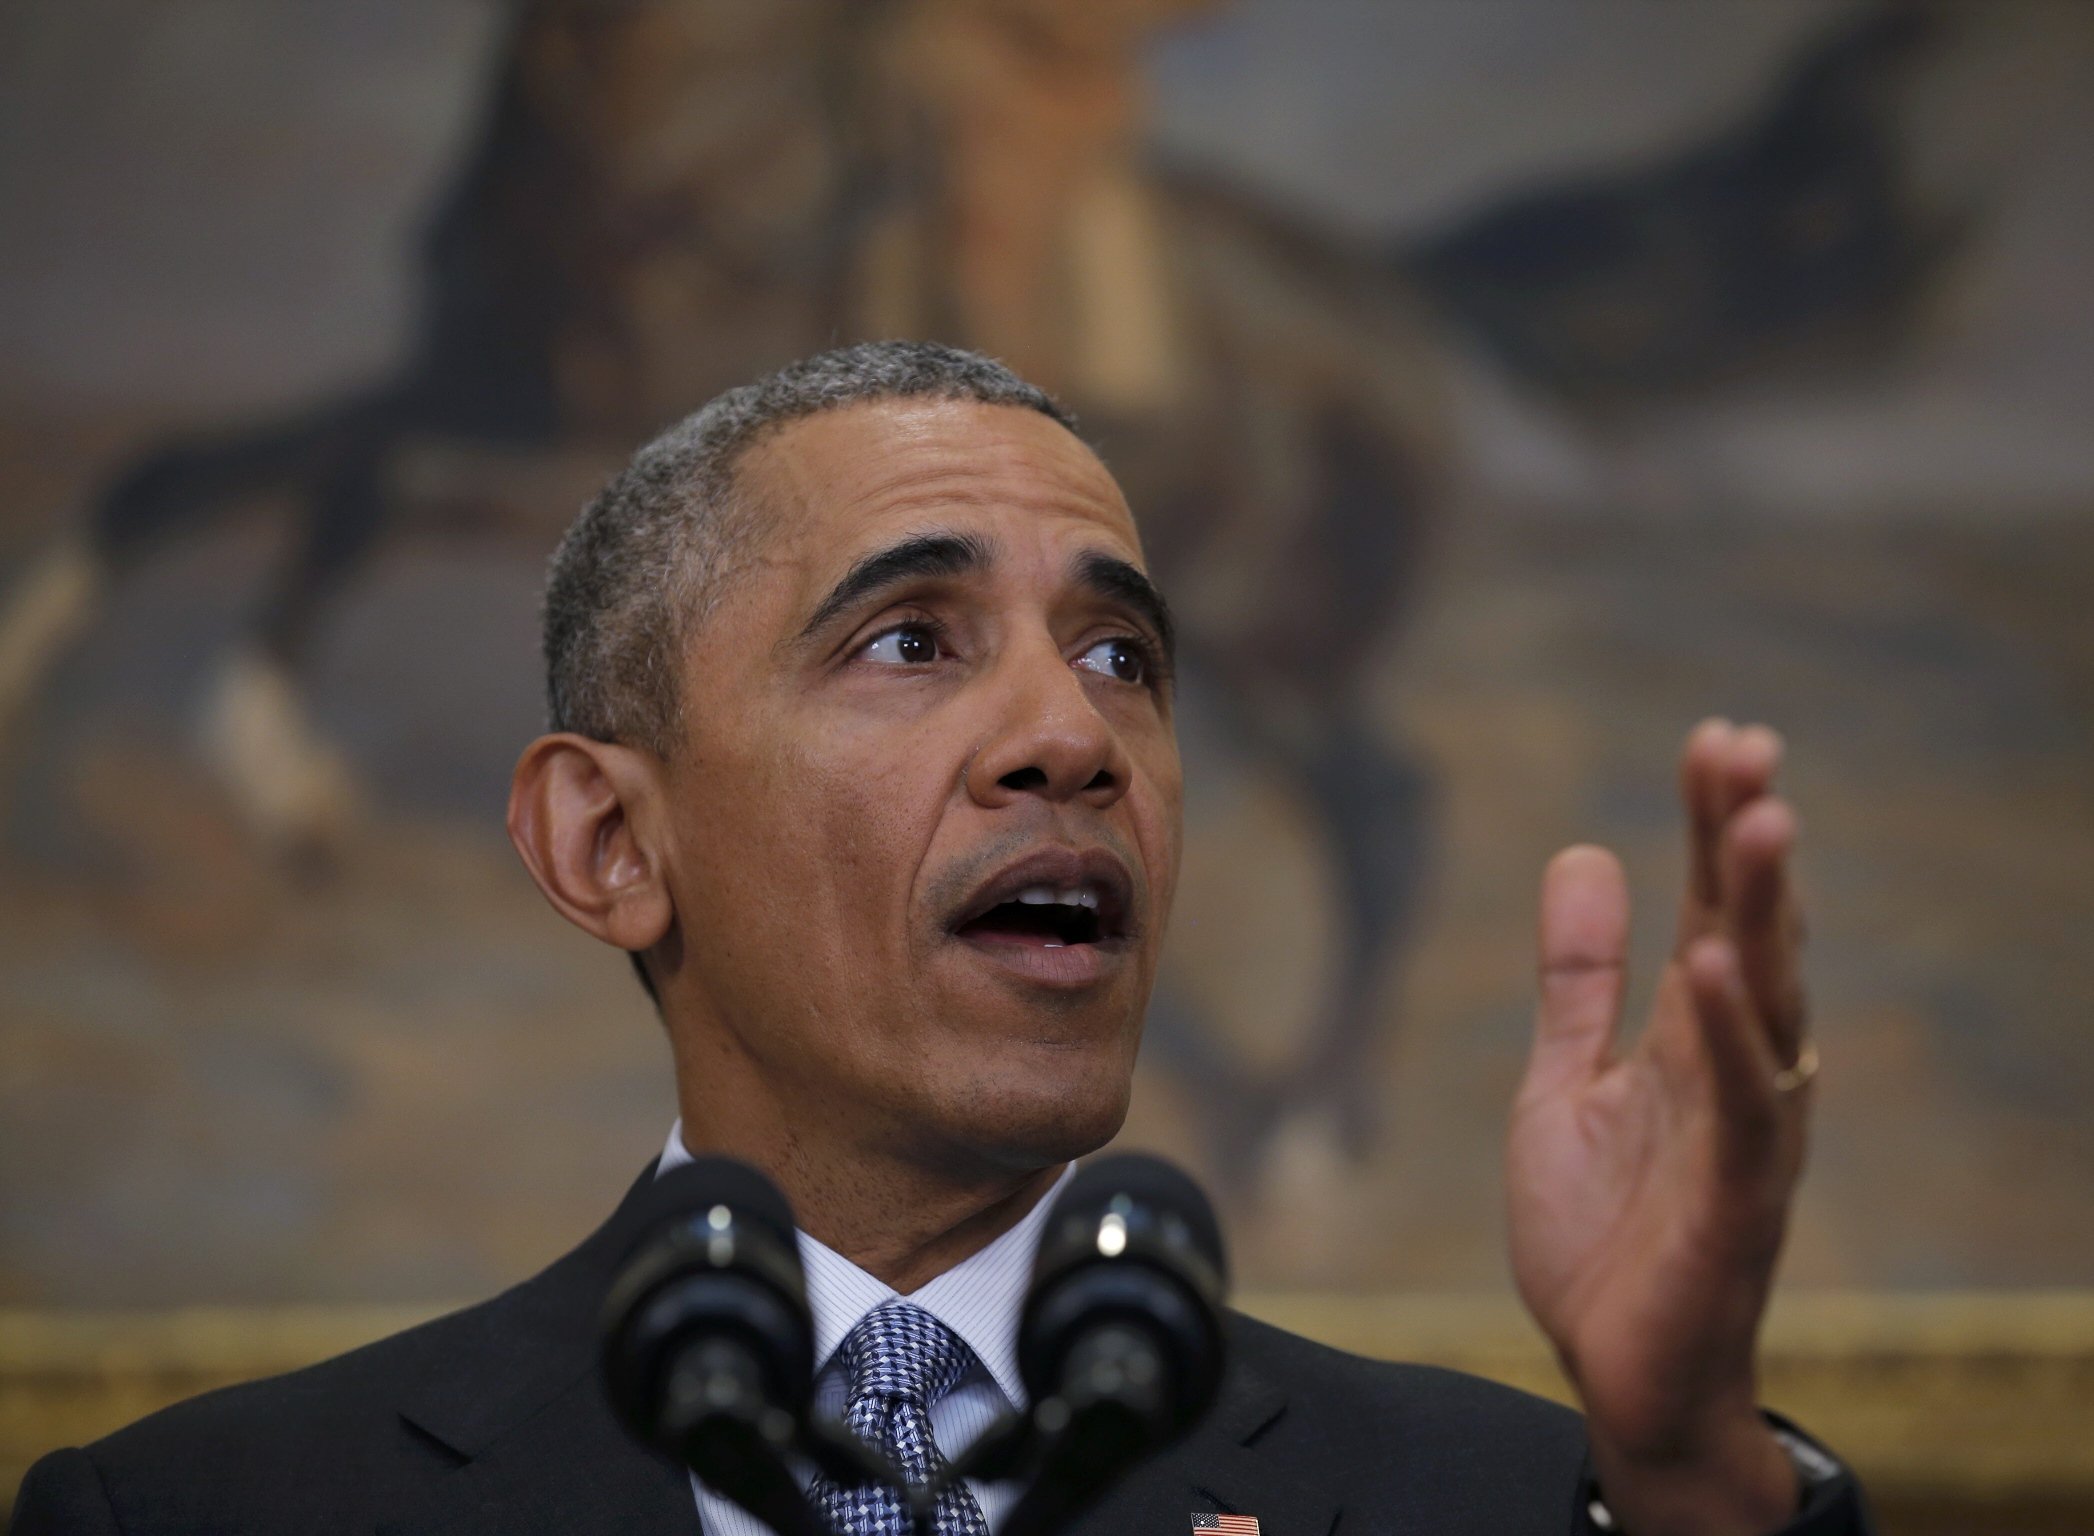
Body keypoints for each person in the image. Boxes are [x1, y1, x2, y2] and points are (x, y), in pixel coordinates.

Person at [13, 342, 1865, 1536]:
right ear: (606, 839)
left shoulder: (1523, 1507)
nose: (1074, 736)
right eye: (908, 640)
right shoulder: (211, 1516)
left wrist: (1696, 1460)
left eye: (1123, 657)